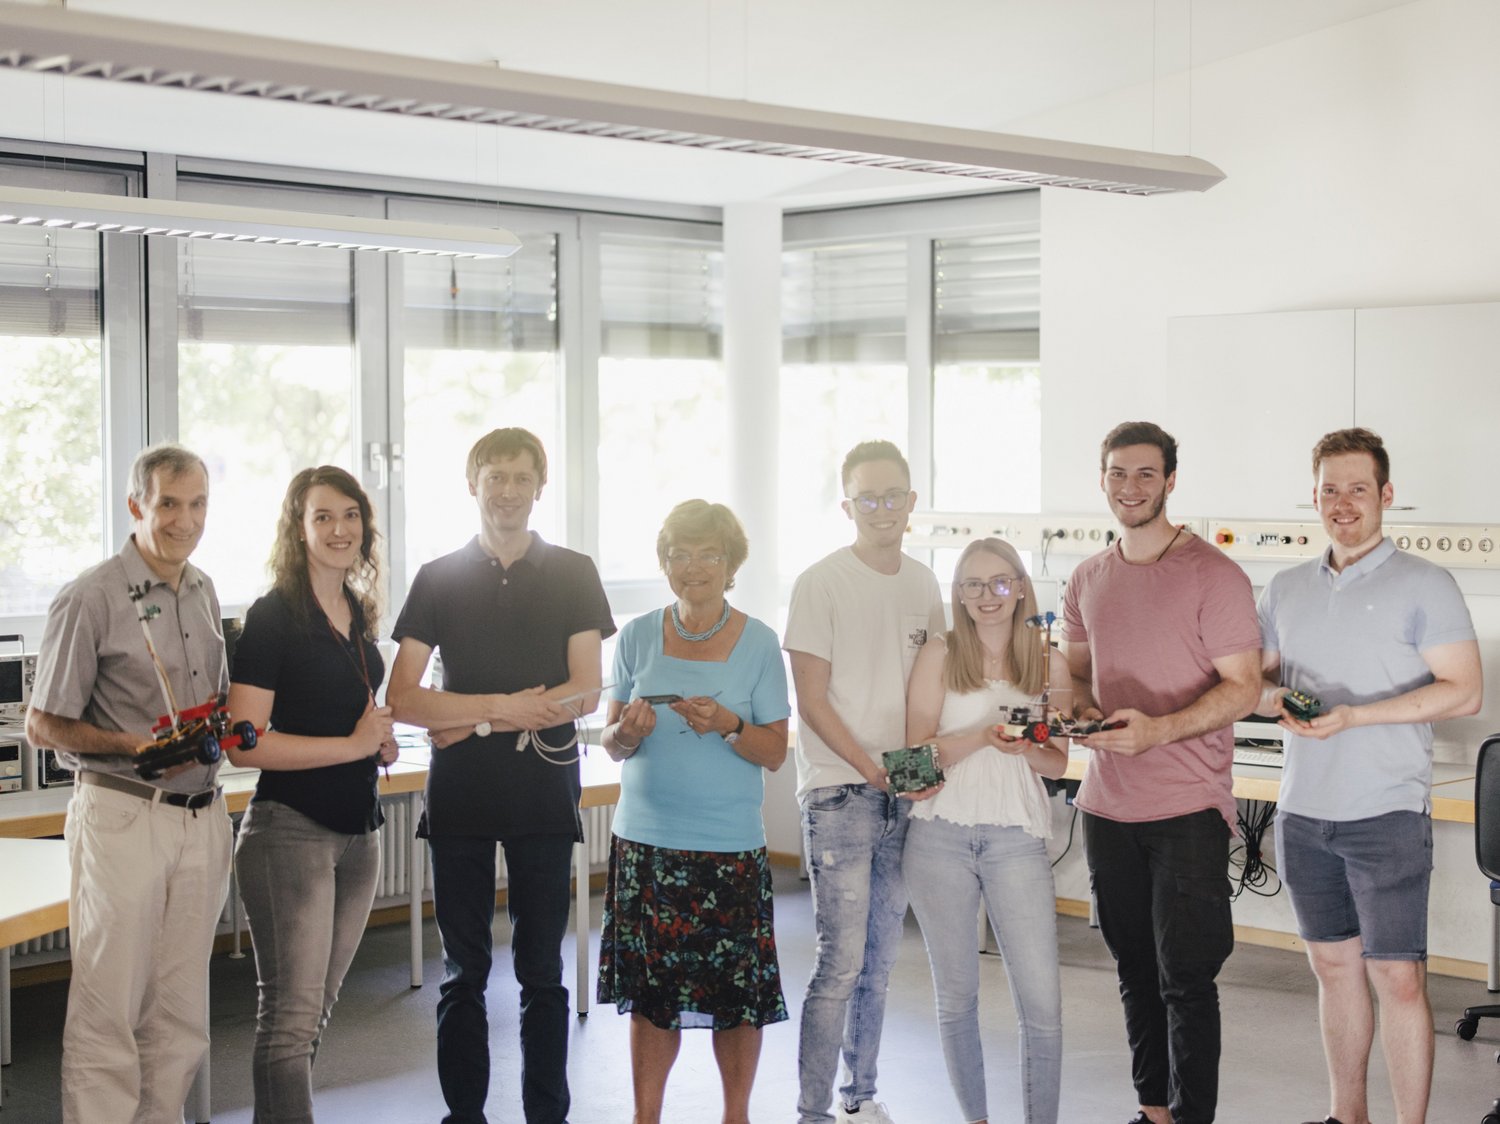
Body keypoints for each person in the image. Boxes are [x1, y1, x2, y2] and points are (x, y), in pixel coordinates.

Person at [387, 426, 615, 1124]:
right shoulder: (436, 577)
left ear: (540, 485)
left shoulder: (575, 572)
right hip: (460, 794)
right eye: (495, 476)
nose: (508, 490)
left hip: (543, 790)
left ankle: (547, 1114)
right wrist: (506, 710)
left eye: (521, 477)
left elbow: (586, 690)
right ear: (473, 483)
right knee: (464, 973)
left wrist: (472, 719)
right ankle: (466, 1115)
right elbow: (403, 699)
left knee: (542, 972)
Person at [1255, 427, 1481, 1124]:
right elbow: (1253, 688)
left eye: (1358, 488)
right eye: (1329, 489)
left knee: (1399, 977)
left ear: (1386, 495)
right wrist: (1285, 705)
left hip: (1385, 813)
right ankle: (1345, 1115)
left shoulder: (1425, 583)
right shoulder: (1285, 587)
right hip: (1304, 811)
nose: (1342, 502)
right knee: (1332, 969)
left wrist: (1352, 717)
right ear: (1314, 496)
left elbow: (1464, 690)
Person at [1061, 421, 1261, 1124]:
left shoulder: (1215, 575)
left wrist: (1157, 732)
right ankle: (1153, 1112)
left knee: (1187, 980)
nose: (1131, 487)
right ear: (1103, 479)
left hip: (1185, 808)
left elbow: (1244, 687)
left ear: (1171, 481)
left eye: (1146, 474)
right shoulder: (1087, 577)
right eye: (1119, 473)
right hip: (1108, 808)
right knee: (1134, 970)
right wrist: (1081, 711)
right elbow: (1074, 674)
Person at [26, 443, 231, 1123]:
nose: (185, 519)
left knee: (180, 1011)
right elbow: (44, 725)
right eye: (169, 503)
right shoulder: (91, 596)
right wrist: (130, 746)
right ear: (136, 504)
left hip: (202, 817)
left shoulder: (202, 590)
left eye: (197, 504)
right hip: (123, 814)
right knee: (110, 1007)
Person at [598, 499, 791, 1124]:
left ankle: (737, 1115)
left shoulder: (760, 642)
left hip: (728, 847)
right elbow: (611, 745)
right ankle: (644, 1117)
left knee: (736, 999)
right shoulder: (635, 636)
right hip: (646, 846)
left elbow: (775, 752)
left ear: (730, 564)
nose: (694, 566)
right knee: (653, 1001)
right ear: (665, 562)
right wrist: (627, 731)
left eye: (709, 554)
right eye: (679, 554)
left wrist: (731, 724)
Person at [224, 465, 400, 1123]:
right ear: (297, 530)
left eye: (349, 515)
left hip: (358, 834)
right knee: (290, 1023)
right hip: (288, 832)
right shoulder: (273, 618)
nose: (339, 529)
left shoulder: (355, 611)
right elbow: (244, 743)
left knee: (314, 1015)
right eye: (322, 516)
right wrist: (353, 745)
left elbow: (342, 716)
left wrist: (373, 741)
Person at [785, 439, 945, 1124]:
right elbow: (812, 702)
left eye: (893, 497)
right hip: (840, 791)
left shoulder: (923, 583)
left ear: (912, 504)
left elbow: (932, 688)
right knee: (840, 965)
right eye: (867, 498)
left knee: (880, 962)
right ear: (847, 505)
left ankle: (861, 1097)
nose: (881, 510)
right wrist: (869, 767)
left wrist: (918, 765)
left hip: (900, 793)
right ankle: (813, 1111)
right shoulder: (820, 582)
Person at [903, 537, 1067, 1124]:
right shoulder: (940, 654)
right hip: (938, 838)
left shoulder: (1049, 659)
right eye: (973, 585)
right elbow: (913, 759)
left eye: (1000, 582)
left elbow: (1058, 763)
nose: (987, 595)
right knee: (956, 1000)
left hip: (1016, 839)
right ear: (959, 594)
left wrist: (1027, 748)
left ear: (1021, 586)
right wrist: (984, 735)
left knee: (1042, 1005)